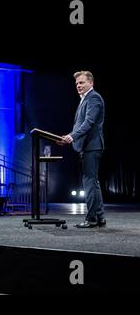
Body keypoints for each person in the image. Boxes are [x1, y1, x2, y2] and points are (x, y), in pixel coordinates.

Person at [60, 70, 105, 228]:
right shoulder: (85, 99)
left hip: (92, 146)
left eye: (82, 82)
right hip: (86, 146)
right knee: (93, 182)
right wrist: (69, 136)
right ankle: (100, 217)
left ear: (91, 83)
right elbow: (80, 124)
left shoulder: (94, 98)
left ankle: (92, 218)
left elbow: (88, 123)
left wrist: (72, 136)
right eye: (77, 83)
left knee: (89, 182)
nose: (78, 85)